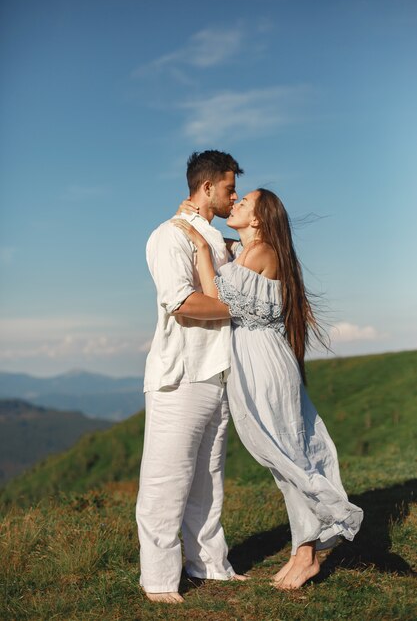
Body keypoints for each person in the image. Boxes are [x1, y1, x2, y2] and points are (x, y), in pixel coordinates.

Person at [171, 187, 364, 590]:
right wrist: (196, 222)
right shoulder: (248, 252)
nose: (236, 203)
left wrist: (201, 251)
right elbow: (226, 260)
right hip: (251, 364)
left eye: (244, 204)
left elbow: (215, 298)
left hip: (264, 365)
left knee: (288, 456)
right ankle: (304, 549)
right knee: (281, 461)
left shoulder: (261, 252)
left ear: (258, 219)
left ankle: (313, 546)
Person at [136, 150, 247, 604]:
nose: (234, 195)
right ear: (206, 189)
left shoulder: (215, 240)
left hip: (218, 372)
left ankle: (210, 565)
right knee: (166, 482)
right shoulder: (169, 236)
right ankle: (159, 580)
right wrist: (242, 310)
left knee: (209, 479)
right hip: (179, 377)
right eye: (228, 187)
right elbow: (183, 306)